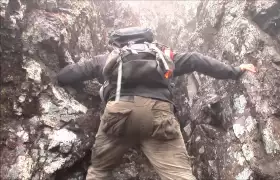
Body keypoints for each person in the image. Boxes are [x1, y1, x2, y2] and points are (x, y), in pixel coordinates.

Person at [57, 27, 256, 180]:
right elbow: (196, 59)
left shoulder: (108, 58)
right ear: (148, 39)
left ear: (118, 43)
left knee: (99, 171)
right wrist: (235, 70)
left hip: (119, 114)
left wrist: (56, 78)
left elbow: (71, 73)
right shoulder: (163, 56)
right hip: (159, 114)